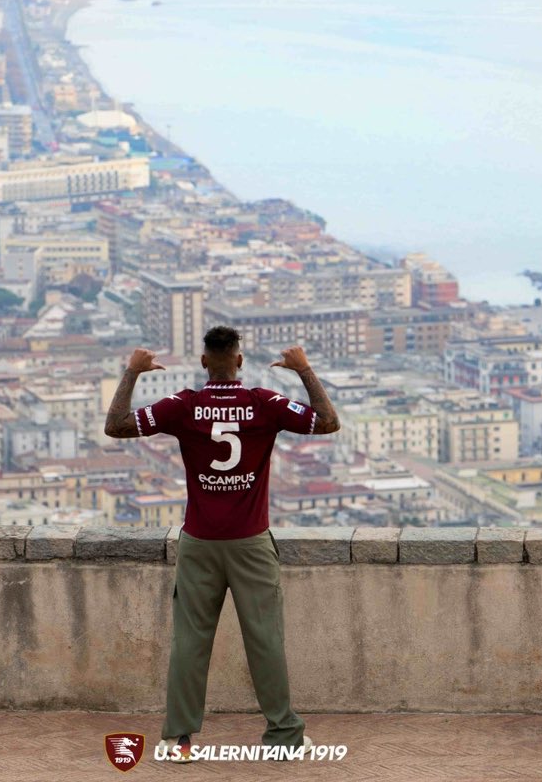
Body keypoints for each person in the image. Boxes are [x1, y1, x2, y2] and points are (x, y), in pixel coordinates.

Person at [105, 325, 341, 762]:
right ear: (239, 360)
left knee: (191, 641)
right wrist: (304, 370)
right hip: (251, 541)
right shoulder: (263, 403)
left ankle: (177, 740)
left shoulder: (183, 405)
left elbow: (116, 425)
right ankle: (283, 736)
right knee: (265, 640)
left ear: (202, 362)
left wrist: (132, 372)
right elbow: (327, 422)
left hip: (199, 543)